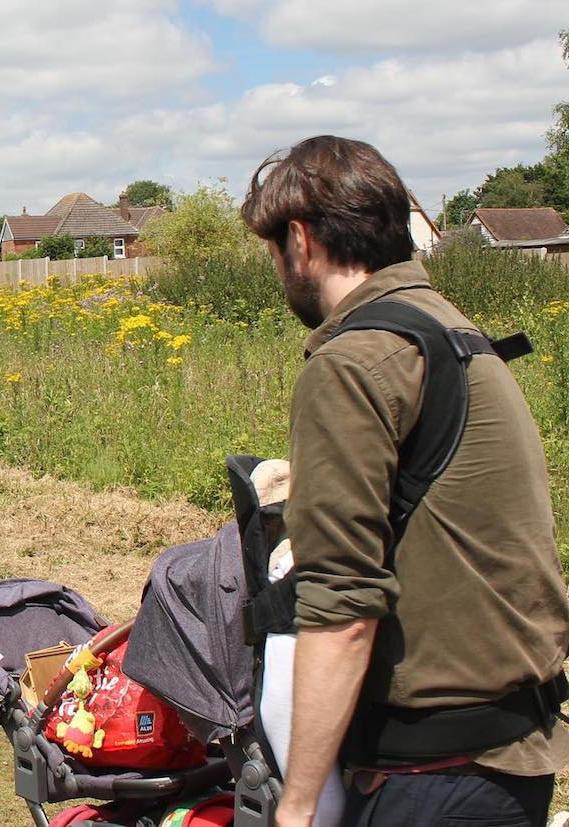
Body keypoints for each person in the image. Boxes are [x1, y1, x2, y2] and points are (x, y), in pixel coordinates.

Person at [240, 135, 569, 827]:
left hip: (432, 776)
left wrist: (296, 810)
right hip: (512, 754)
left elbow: (343, 611)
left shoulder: (353, 362)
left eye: (275, 254)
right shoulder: (456, 334)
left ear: (300, 240)